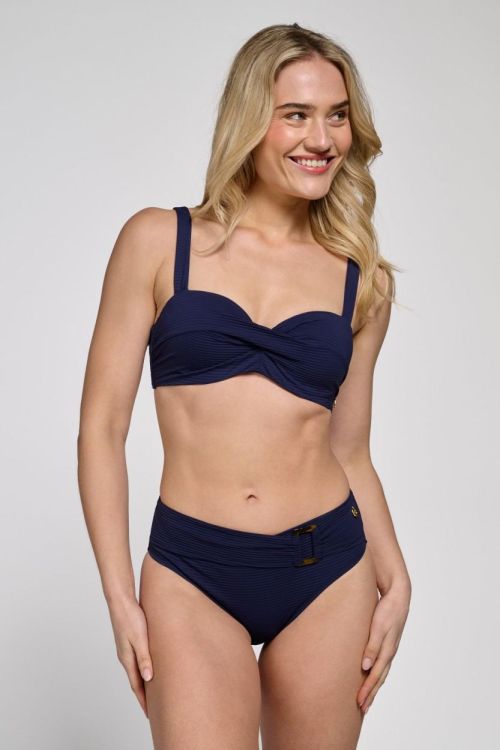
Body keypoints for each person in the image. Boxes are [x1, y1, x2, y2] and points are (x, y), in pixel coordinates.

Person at [77, 22, 411, 750]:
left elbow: (350, 449)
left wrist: (397, 578)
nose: (321, 138)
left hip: (329, 572)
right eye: (296, 114)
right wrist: (119, 597)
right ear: (250, 121)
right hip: (192, 571)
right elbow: (102, 429)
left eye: (337, 115)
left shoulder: (363, 281)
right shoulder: (158, 242)